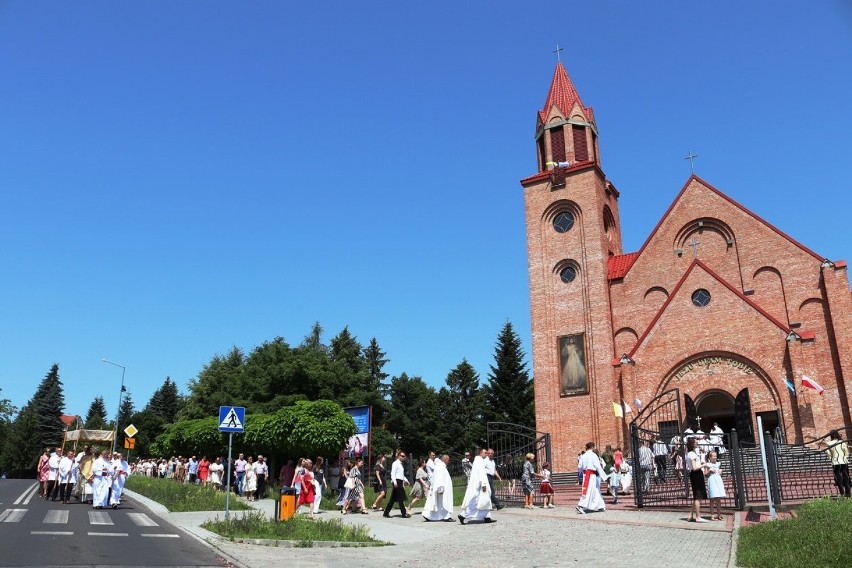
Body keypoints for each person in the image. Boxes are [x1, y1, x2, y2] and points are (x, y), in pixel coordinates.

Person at [458, 451, 494, 524]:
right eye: (485, 453)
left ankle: (487, 517)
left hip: (478, 484)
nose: (486, 454)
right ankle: (463, 515)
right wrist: (483, 484)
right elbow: (481, 473)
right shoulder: (479, 461)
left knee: (484, 500)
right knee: (476, 502)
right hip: (480, 485)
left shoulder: (477, 461)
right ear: (481, 453)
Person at [576, 442, 606, 514]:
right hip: (591, 475)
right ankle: (581, 505)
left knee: (596, 490)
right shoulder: (593, 455)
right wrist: (604, 476)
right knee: (588, 490)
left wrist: (580, 474)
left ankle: (600, 505)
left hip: (585, 474)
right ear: (592, 447)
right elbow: (598, 466)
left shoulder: (583, 456)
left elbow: (579, 466)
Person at [423, 454, 455, 522]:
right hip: (441, 488)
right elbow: (440, 477)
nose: (448, 462)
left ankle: (429, 515)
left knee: (438, 503)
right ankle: (446, 516)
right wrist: (440, 487)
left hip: (440, 488)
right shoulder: (441, 467)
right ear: (445, 459)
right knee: (443, 502)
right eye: (448, 460)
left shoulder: (439, 466)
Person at [686, 437, 708, 523]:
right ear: (692, 444)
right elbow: (694, 467)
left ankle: (691, 515)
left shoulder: (690, 453)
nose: (697, 443)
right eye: (695, 442)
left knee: (696, 496)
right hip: (696, 474)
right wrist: (704, 465)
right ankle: (698, 517)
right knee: (698, 496)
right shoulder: (691, 454)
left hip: (695, 474)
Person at [383, 451, 411, 518]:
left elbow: (401, 474)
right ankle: (403, 513)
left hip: (400, 481)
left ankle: (386, 512)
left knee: (393, 499)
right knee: (401, 498)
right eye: (402, 456)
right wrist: (395, 482)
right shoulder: (395, 463)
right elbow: (393, 473)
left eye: (404, 456)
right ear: (398, 456)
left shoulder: (400, 464)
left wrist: (406, 480)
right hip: (397, 482)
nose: (403, 457)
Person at [824, 430, 851, 497]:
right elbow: (846, 452)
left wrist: (831, 459)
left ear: (831, 436)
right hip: (844, 461)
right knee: (846, 476)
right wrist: (845, 457)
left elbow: (828, 453)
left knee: (838, 477)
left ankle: (842, 493)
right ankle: (848, 493)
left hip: (835, 462)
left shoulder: (829, 443)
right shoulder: (842, 442)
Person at [705, 451, 725, 520]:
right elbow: (705, 475)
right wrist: (709, 471)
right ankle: (712, 515)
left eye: (716, 456)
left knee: (718, 499)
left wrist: (721, 471)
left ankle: (719, 514)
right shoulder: (708, 464)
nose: (715, 457)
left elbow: (720, 472)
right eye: (713, 456)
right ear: (710, 457)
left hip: (718, 480)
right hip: (712, 481)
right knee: (712, 499)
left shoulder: (718, 464)